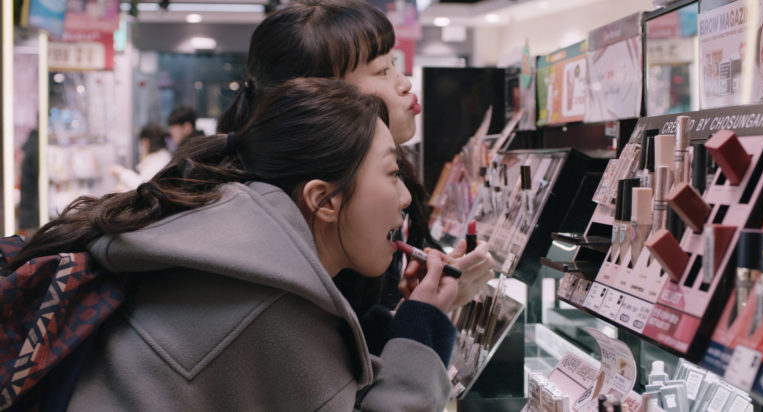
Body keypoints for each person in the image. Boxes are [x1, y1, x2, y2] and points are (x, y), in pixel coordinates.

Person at [6, 78, 457, 410]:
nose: (404, 198)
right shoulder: (273, 304)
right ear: (324, 200)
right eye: (393, 174)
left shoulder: (230, 245)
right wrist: (422, 326)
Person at [217, 0, 495, 320]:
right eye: (383, 71)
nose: (405, 83)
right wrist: (421, 318)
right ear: (317, 98)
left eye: (394, 63)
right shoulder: (277, 251)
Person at [110, 123, 172, 191]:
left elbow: (142, 187)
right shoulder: (162, 157)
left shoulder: (160, 161)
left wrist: (121, 172)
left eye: (140, 143)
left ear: (145, 142)